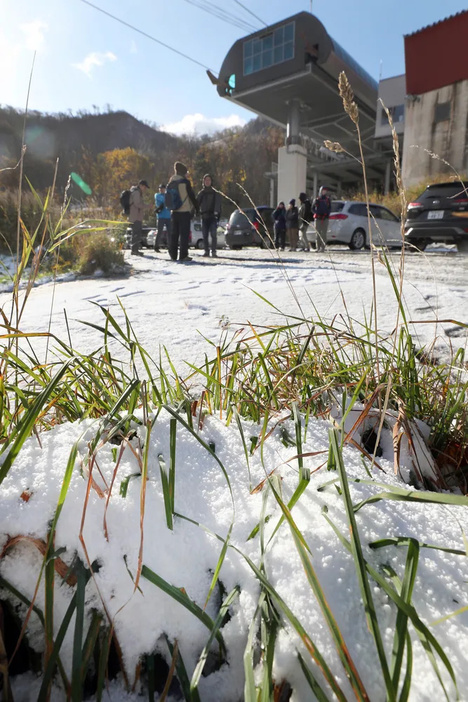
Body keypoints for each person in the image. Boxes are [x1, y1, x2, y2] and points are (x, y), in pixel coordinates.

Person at [167, 162, 199, 262]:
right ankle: (183, 255)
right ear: (183, 172)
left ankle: (173, 255)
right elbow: (191, 196)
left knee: (174, 234)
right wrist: (197, 208)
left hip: (174, 211)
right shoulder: (185, 182)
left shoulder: (170, 183)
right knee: (184, 234)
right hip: (184, 211)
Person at [196, 174, 222, 257]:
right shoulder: (201, 193)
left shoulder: (215, 193)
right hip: (204, 216)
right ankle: (206, 251)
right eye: (206, 180)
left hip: (212, 216)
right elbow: (196, 203)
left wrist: (217, 214)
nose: (207, 182)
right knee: (205, 235)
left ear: (211, 181)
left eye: (209, 180)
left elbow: (218, 205)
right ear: (203, 182)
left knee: (214, 234)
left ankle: (213, 251)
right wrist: (196, 212)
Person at [129, 179, 150, 256]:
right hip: (136, 216)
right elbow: (138, 204)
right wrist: (147, 206)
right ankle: (134, 250)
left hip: (136, 216)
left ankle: (135, 249)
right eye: (144, 187)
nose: (145, 189)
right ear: (141, 186)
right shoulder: (137, 193)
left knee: (136, 233)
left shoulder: (136, 192)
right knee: (136, 233)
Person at [312, 186, 332, 252]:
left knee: (324, 234)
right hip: (318, 218)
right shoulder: (317, 199)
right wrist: (316, 212)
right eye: (323, 190)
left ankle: (322, 248)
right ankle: (318, 247)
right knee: (317, 234)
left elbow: (330, 208)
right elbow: (312, 208)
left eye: (325, 191)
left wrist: (327, 214)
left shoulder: (327, 200)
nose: (324, 192)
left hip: (325, 218)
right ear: (320, 191)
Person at [154, 184, 172, 252]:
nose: (161, 189)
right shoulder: (157, 195)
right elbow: (162, 202)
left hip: (168, 216)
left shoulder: (167, 196)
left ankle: (170, 246)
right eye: (160, 188)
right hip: (161, 216)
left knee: (170, 232)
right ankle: (156, 246)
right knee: (159, 231)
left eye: (163, 188)